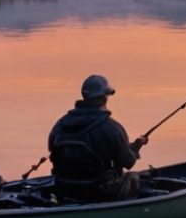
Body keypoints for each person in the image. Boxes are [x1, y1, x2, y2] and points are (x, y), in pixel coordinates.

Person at [47, 74, 149, 203]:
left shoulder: (60, 125)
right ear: (105, 97)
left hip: (65, 189)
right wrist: (136, 149)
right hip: (98, 191)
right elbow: (128, 162)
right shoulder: (112, 128)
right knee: (134, 177)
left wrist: (133, 146)